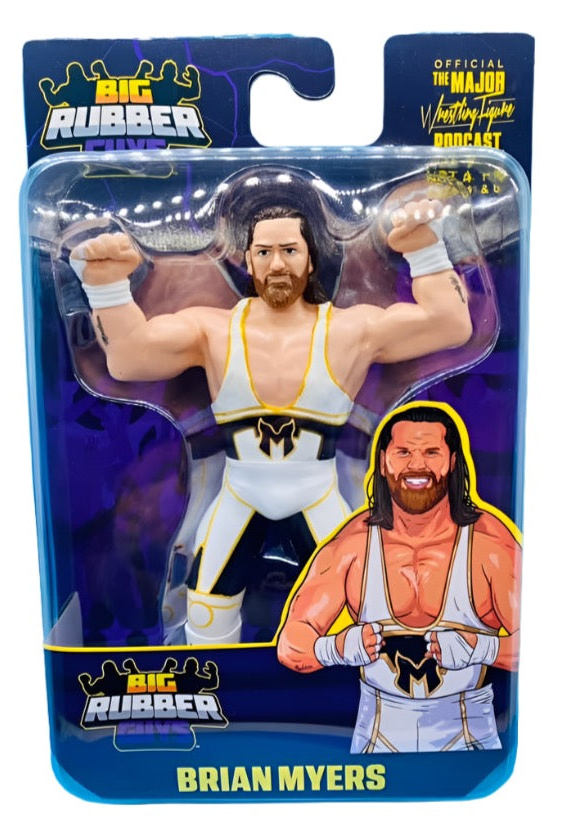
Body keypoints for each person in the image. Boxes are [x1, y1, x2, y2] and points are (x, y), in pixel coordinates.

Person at [69, 200, 473, 646]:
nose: (277, 264)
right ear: (247, 259)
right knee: (204, 612)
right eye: (264, 252)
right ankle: (218, 689)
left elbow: (450, 326)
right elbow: (129, 357)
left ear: (311, 258)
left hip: (317, 495)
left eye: (289, 250)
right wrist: (106, 285)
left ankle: (345, 685)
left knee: (359, 608)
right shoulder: (214, 331)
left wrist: (424, 249)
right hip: (240, 494)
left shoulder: (349, 330)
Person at [277, 403, 521, 753]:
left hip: (469, 733)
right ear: (382, 461)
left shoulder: (489, 545)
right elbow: (291, 644)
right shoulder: (353, 546)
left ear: (453, 461)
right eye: (404, 452)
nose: (417, 465)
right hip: (377, 733)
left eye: (431, 452)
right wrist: (336, 648)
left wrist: (482, 648)